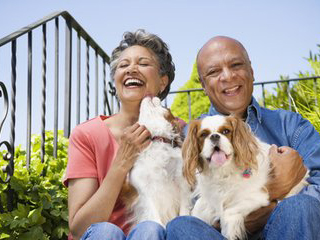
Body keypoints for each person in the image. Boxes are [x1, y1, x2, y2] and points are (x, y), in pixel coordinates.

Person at [166, 36, 320, 240]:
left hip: (286, 229)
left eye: (236, 65)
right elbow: (184, 201)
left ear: (251, 72)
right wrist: (271, 190)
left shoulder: (291, 126)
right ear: (203, 85)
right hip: (218, 234)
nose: (228, 76)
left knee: (300, 206)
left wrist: (274, 206)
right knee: (181, 226)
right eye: (214, 72)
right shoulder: (188, 138)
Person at [63, 29, 179, 240]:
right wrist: (122, 162)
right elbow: (79, 228)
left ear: (163, 81)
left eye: (143, 64)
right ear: (116, 81)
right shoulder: (86, 134)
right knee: (106, 231)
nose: (131, 69)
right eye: (123, 65)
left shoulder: (178, 133)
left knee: (150, 229)